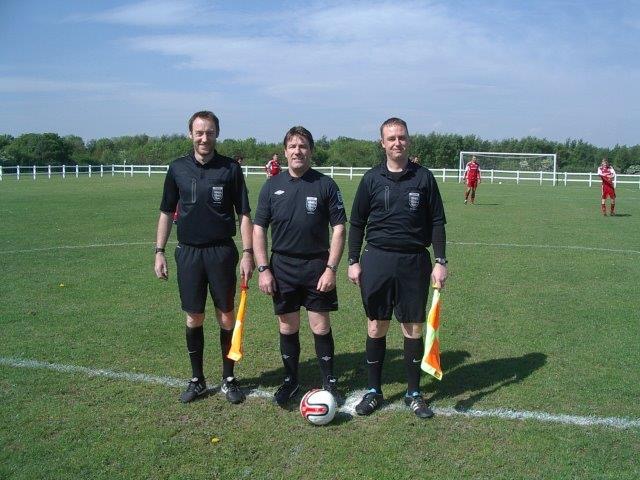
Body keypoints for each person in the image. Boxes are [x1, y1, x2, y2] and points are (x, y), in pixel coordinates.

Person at [347, 117, 448, 419]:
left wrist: (440, 260)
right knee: (376, 325)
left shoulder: (424, 178)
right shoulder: (370, 179)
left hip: (414, 261)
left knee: (413, 328)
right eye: (391, 138)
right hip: (376, 259)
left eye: (401, 137)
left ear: (409, 140)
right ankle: (374, 391)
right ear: (382, 143)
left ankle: (413, 393)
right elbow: (356, 223)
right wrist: (352, 260)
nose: (397, 143)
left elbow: (437, 222)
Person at [154, 110, 255, 404]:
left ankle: (228, 378)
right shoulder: (177, 169)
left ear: (217, 134)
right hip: (188, 252)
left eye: (209, 132)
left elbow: (244, 214)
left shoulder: (230, 170)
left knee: (226, 314)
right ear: (190, 134)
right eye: (199, 132)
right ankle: (197, 380)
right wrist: (159, 251)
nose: (204, 138)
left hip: (221, 252)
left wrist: (247, 253)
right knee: (194, 315)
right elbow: (165, 211)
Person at [253, 126, 347, 406]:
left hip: (317, 267)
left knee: (320, 325)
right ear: (285, 152)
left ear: (311, 151)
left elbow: (339, 228)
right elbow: (259, 229)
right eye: (292, 146)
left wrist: (331, 268)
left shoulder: (325, 185)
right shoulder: (271, 186)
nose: (297, 151)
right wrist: (263, 268)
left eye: (303, 146)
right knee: (287, 326)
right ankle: (291, 380)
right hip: (281, 268)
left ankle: (329, 381)